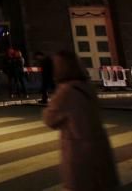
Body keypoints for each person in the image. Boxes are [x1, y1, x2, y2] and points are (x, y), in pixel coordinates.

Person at [42, 50, 119, 190]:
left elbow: (49, 119)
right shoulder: (88, 87)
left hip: (79, 150)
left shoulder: (65, 91)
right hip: (100, 145)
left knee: (82, 184)